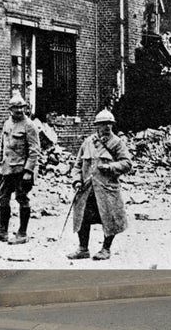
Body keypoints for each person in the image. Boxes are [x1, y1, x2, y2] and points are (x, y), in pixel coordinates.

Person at [67, 107, 133, 261]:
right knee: (82, 216)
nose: (107, 127)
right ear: (96, 125)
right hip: (87, 188)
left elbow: (127, 164)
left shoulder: (117, 143)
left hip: (107, 188)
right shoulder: (88, 142)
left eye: (109, 123)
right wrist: (76, 180)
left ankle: (106, 248)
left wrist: (111, 167)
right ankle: (83, 248)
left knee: (109, 217)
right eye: (103, 124)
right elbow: (77, 165)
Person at [0, 94, 41, 244]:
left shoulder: (30, 126)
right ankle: (2, 232)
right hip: (7, 169)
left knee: (22, 199)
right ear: (10, 109)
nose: (19, 110)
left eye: (22, 108)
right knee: (2, 198)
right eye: (16, 108)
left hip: (21, 170)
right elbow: (3, 146)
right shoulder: (7, 124)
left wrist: (28, 171)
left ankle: (22, 233)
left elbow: (34, 150)